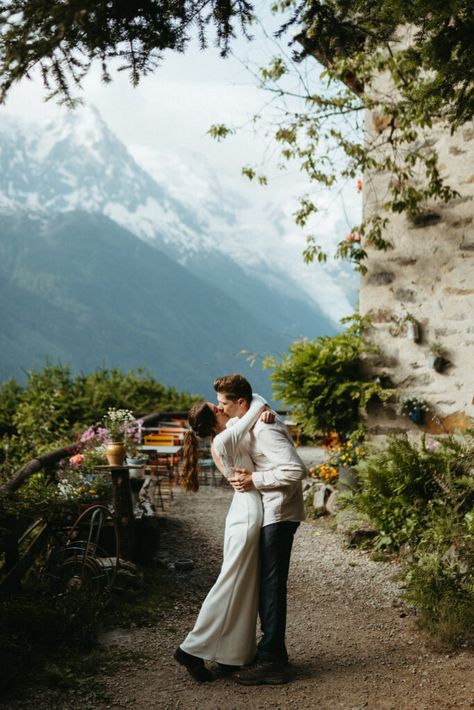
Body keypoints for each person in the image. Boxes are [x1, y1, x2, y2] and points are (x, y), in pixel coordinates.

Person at [214, 374, 306, 685]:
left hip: (280, 514)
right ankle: (269, 654)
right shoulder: (251, 419)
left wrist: (255, 480)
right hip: (269, 513)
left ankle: (273, 662)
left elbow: (296, 469)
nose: (220, 408)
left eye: (223, 403)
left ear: (240, 402)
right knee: (267, 585)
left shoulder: (264, 427)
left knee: (272, 587)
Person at [174, 392, 273, 682]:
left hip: (246, 511)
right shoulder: (224, 438)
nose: (222, 407)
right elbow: (252, 402)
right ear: (213, 421)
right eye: (216, 407)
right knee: (230, 585)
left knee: (244, 588)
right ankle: (191, 649)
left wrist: (264, 410)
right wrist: (264, 407)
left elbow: (250, 407)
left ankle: (233, 655)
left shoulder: (226, 435)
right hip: (246, 517)